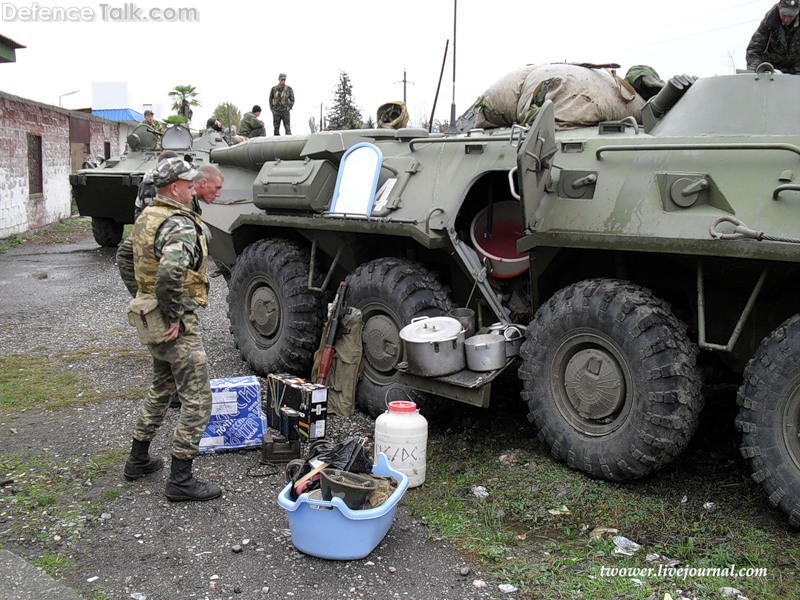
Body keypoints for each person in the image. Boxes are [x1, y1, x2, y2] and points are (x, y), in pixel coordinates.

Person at [121, 156, 221, 502]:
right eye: (190, 185)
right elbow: (170, 273)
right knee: (197, 399)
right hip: (173, 322)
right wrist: (174, 313)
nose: (194, 189)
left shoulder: (146, 216)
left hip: (151, 318)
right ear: (175, 188)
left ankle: (137, 459)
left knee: (162, 386)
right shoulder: (178, 223)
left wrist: (142, 297)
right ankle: (181, 479)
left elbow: (123, 256)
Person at [746, 0, 800, 74]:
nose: (787, 19)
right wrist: (754, 69)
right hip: (771, 71)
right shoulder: (769, 22)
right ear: (779, 8)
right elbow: (755, 49)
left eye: (791, 16)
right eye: (784, 15)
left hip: (797, 72)